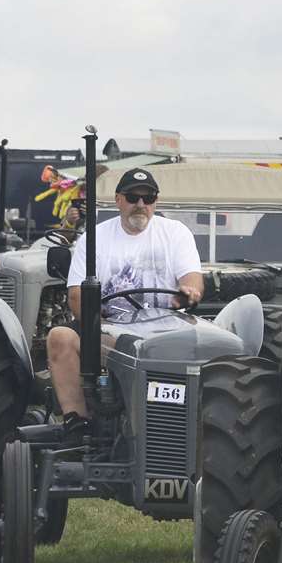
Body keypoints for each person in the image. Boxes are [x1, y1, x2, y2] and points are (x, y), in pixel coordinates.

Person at [49, 168, 203, 436]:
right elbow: (77, 296)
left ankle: (190, 428)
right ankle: (78, 423)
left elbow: (192, 281)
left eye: (148, 198)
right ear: (119, 200)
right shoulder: (94, 239)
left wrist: (188, 291)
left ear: (156, 201)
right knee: (60, 336)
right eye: (133, 197)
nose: (141, 205)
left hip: (164, 329)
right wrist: (103, 325)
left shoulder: (176, 233)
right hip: (108, 329)